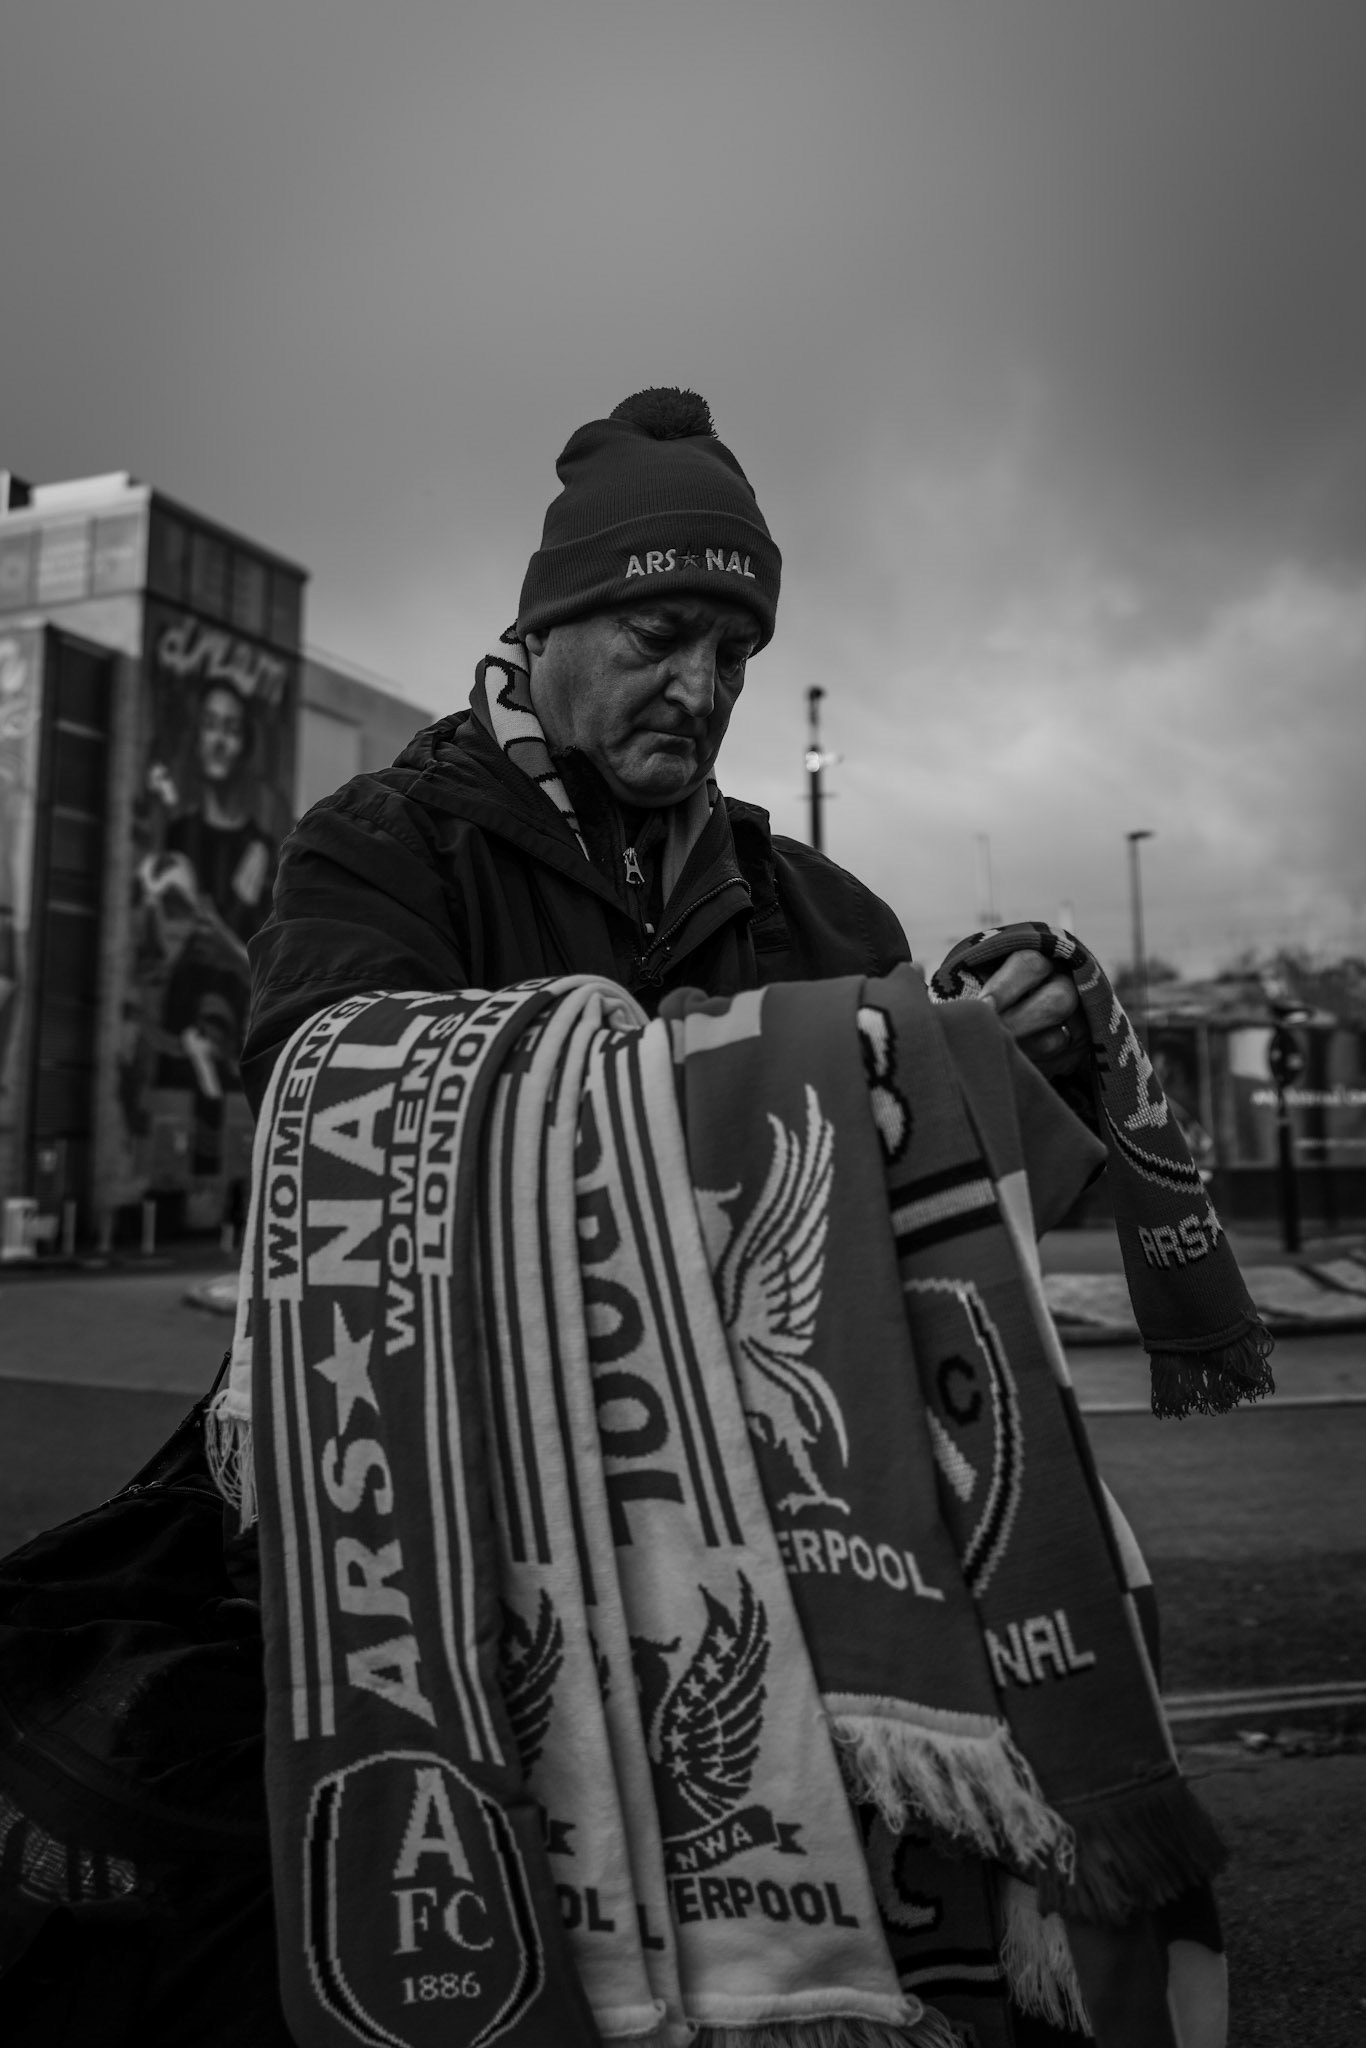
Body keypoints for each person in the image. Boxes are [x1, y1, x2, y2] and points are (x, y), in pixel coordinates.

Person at [243, 387, 1081, 1110]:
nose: (701, 692)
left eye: (733, 656)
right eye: (657, 635)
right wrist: (867, 1065)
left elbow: (953, 1212)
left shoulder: (839, 922)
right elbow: (331, 1122)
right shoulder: (372, 857)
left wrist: (1006, 1059)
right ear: (543, 629)